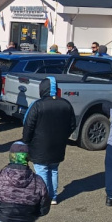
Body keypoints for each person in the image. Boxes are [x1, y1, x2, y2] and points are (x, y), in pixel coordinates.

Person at [21, 77, 76, 205]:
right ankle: (53, 196)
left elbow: (28, 125)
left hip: (40, 146)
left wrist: (26, 141)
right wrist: (64, 136)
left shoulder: (37, 105)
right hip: (58, 145)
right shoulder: (66, 104)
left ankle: (44, 197)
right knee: (54, 169)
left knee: (42, 170)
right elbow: (72, 125)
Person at [0, 141, 51, 222]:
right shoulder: (38, 181)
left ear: (11, 156)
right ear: (27, 157)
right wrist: (30, 215)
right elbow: (44, 209)